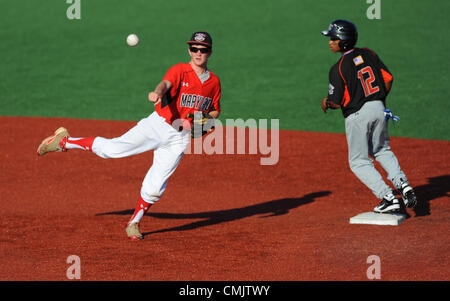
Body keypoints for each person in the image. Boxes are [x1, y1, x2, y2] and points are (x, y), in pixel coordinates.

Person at [37, 31, 222, 240]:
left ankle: (134, 223)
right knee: (112, 150)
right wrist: (157, 93)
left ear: (210, 52)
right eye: (194, 49)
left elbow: (215, 110)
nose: (198, 53)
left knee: (155, 187)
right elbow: (166, 84)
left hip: (179, 138)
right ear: (189, 50)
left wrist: (207, 120)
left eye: (203, 49)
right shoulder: (180, 70)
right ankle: (64, 141)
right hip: (158, 125)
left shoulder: (214, 82)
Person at [320, 20, 417, 213]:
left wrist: (326, 102)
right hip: (379, 108)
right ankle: (403, 183)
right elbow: (388, 79)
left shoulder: (337, 68)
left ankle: (388, 197)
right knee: (382, 150)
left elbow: (337, 102)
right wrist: (377, 102)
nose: (330, 42)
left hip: (357, 116)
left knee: (358, 162)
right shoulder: (368, 53)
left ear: (344, 41)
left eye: (333, 38)